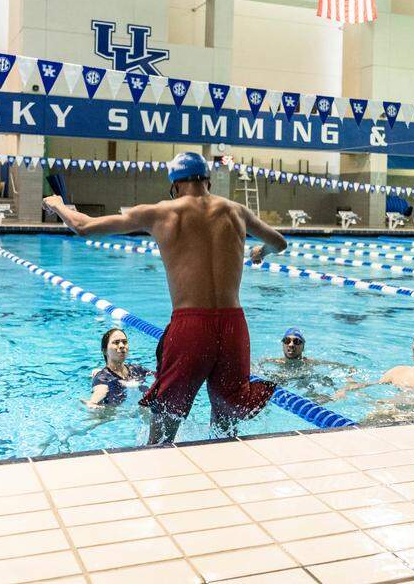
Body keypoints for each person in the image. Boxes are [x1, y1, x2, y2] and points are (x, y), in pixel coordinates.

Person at [43, 151, 287, 444]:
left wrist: (57, 204)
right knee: (226, 419)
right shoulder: (235, 210)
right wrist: (262, 251)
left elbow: (82, 226)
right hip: (234, 325)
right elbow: (279, 242)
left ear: (174, 183)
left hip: (191, 326)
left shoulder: (161, 212)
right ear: (207, 179)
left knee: (164, 421)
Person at [258, 328, 354, 398]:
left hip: (307, 386)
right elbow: (255, 366)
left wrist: (349, 383)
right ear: (283, 345)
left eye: (296, 341)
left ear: (303, 347)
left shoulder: (310, 363)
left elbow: (348, 368)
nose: (291, 344)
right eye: (287, 341)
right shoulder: (273, 361)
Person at [83, 328, 152, 409]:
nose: (122, 345)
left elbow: (160, 376)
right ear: (105, 351)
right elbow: (100, 391)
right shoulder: (103, 378)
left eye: (124, 342)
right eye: (116, 342)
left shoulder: (137, 369)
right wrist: (93, 402)